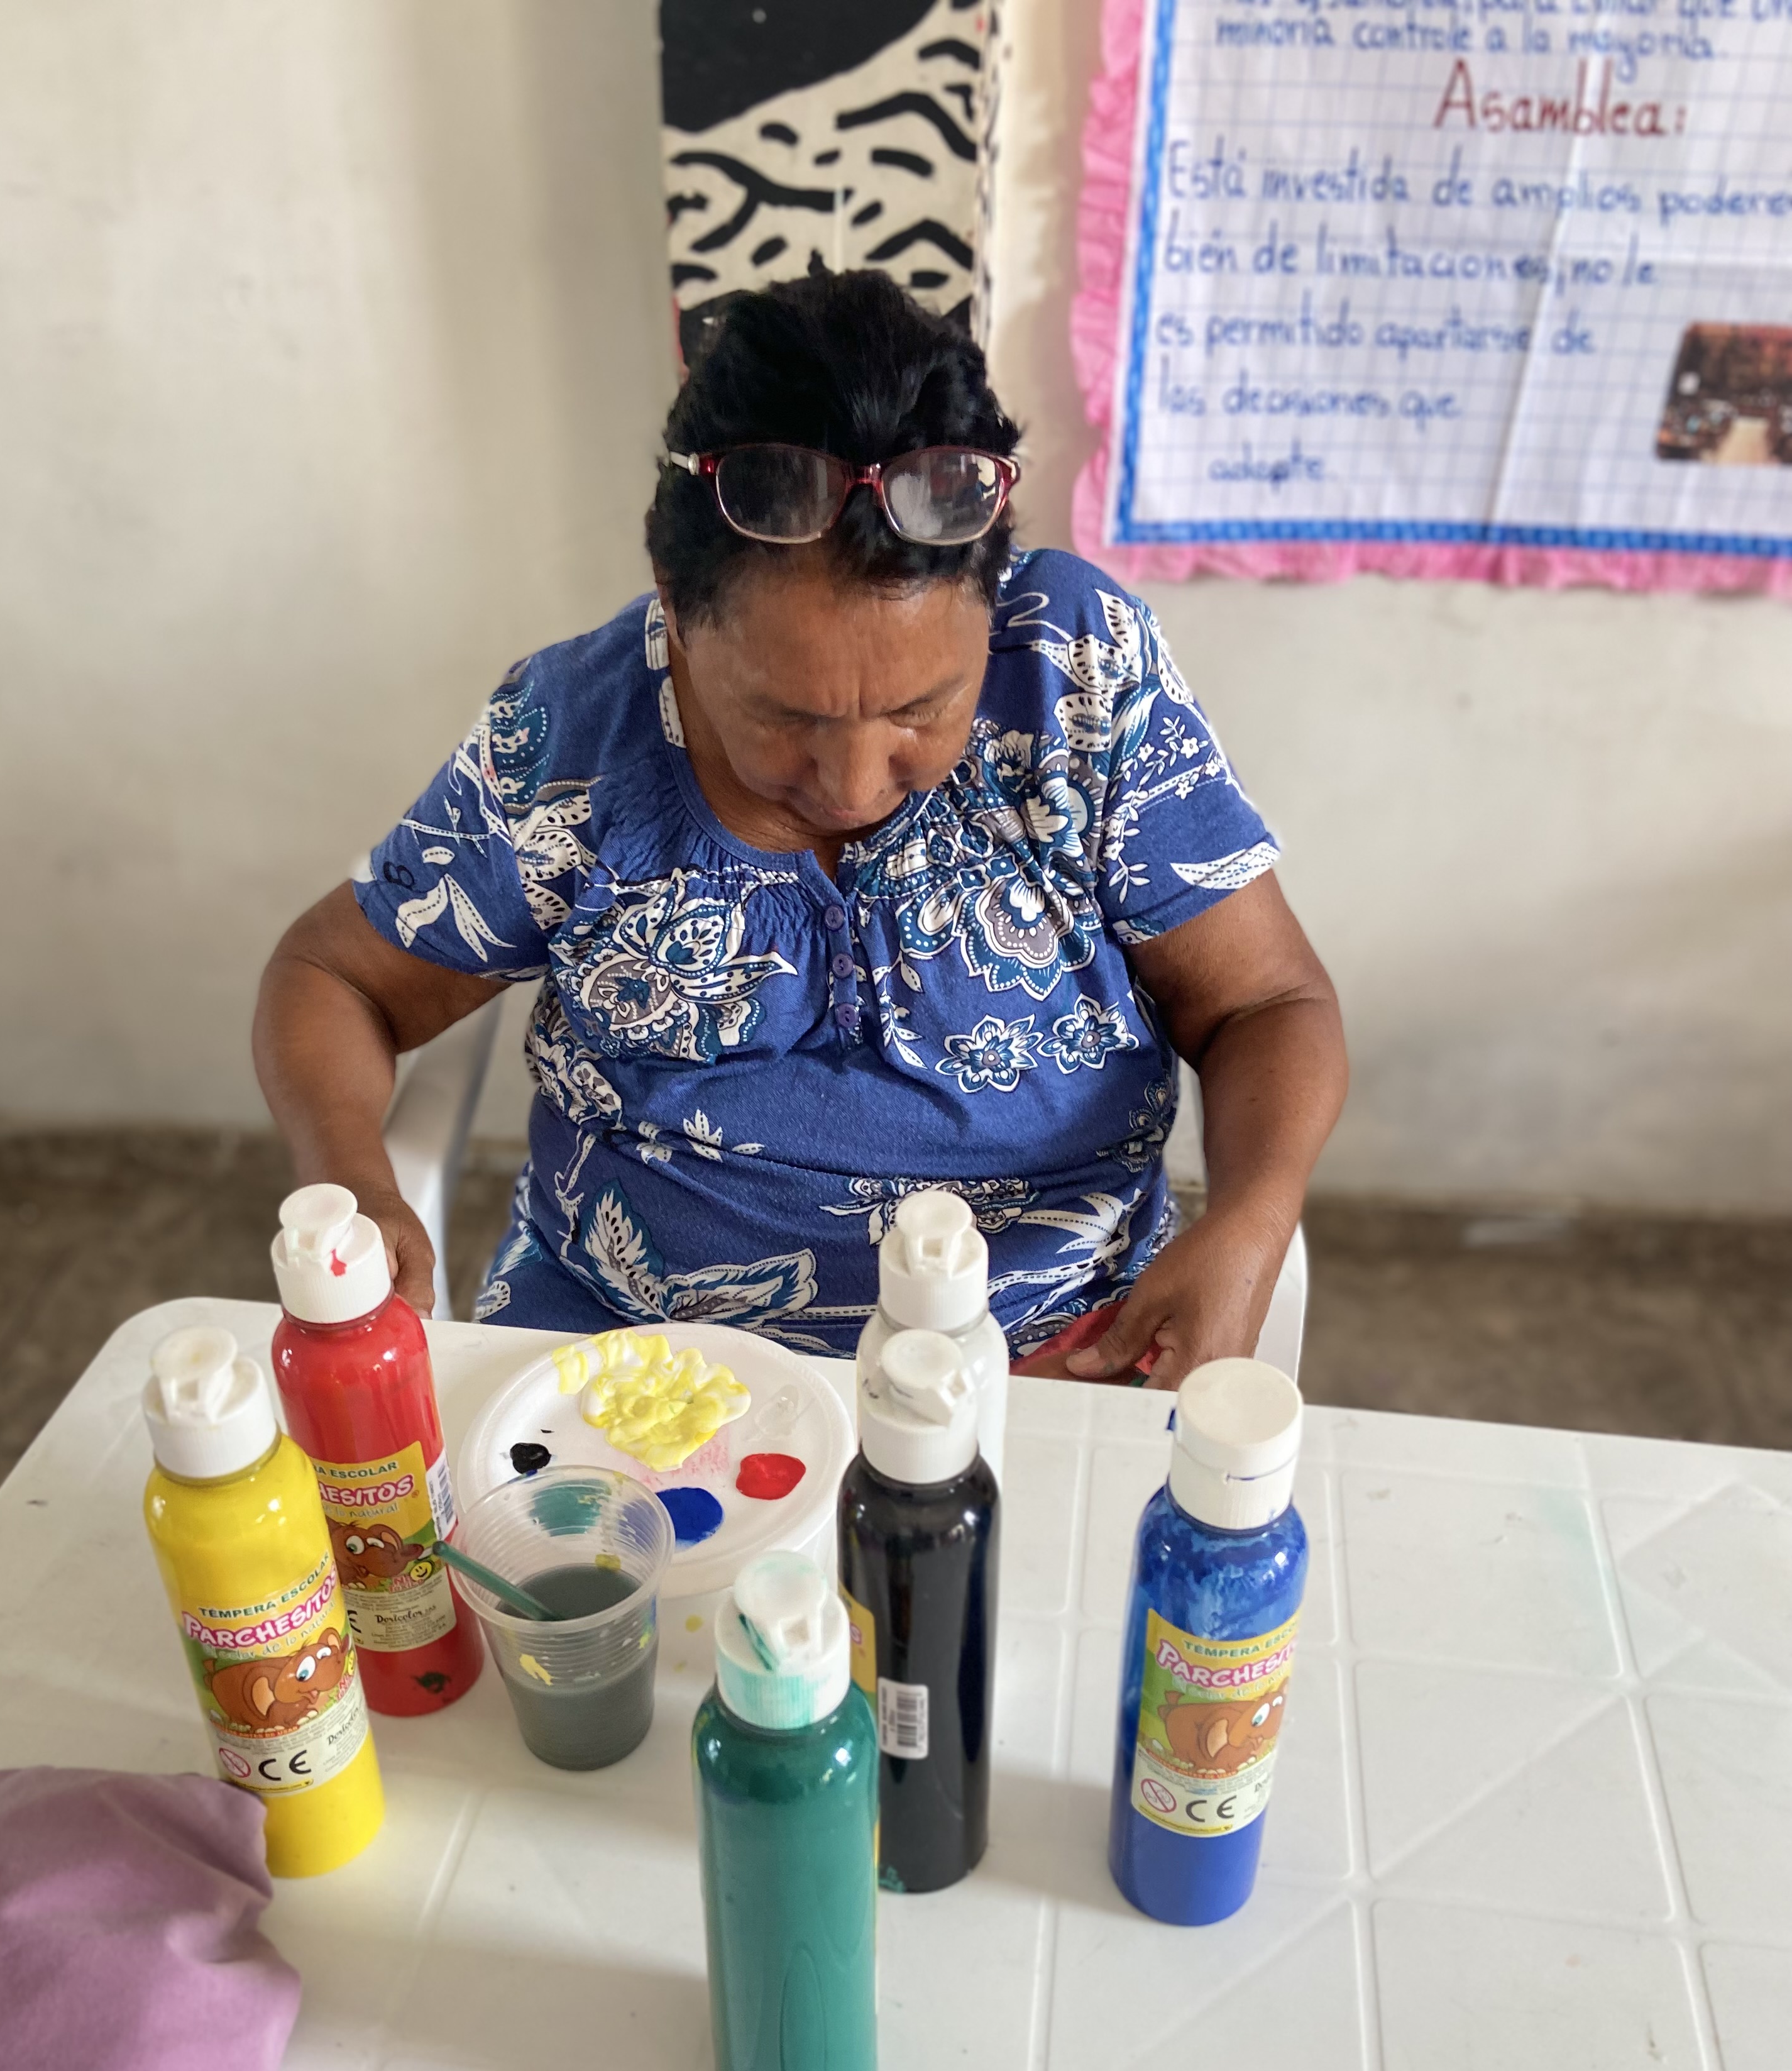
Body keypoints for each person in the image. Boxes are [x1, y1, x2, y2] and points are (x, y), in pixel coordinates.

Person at [254, 270, 1345, 1388]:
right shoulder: (576, 737)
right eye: (787, 719)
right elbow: (335, 979)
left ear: (993, 596)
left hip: (1047, 1350)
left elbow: (1265, 1003)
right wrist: (354, 1184)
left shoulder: (1076, 668)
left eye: (922, 708)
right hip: (630, 1357)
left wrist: (1252, 1219)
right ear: (675, 603)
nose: (857, 782)